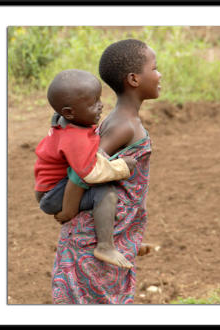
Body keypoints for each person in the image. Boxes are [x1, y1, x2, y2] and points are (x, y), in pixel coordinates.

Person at [52, 39, 161, 304]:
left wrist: (130, 239)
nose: (160, 75)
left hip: (103, 234)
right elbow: (85, 168)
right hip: (89, 244)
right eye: (155, 68)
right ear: (134, 79)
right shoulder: (123, 125)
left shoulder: (125, 120)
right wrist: (68, 209)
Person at [34, 69, 137, 269]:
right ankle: (105, 246)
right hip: (54, 194)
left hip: (49, 188)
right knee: (106, 194)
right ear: (69, 112)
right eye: (93, 103)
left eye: (99, 98)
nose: (101, 105)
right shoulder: (75, 138)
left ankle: (123, 239)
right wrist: (122, 167)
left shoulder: (66, 121)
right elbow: (88, 173)